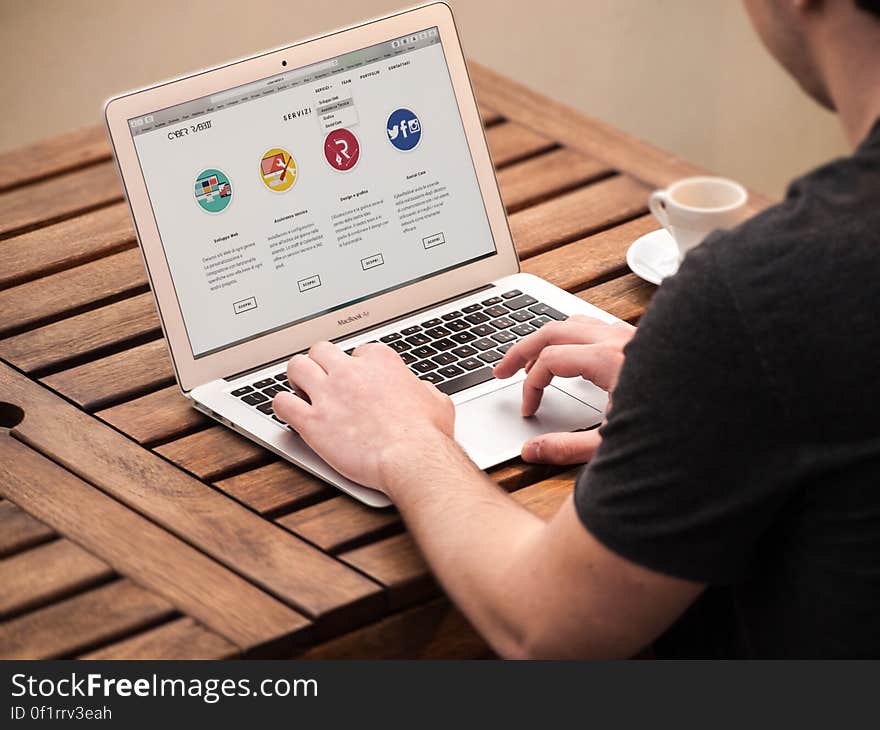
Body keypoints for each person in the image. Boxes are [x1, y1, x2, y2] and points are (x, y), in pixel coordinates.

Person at [273, 0, 880, 658]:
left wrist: (404, 443)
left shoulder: (769, 294)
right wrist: (691, 392)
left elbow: (544, 629)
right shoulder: (786, 308)